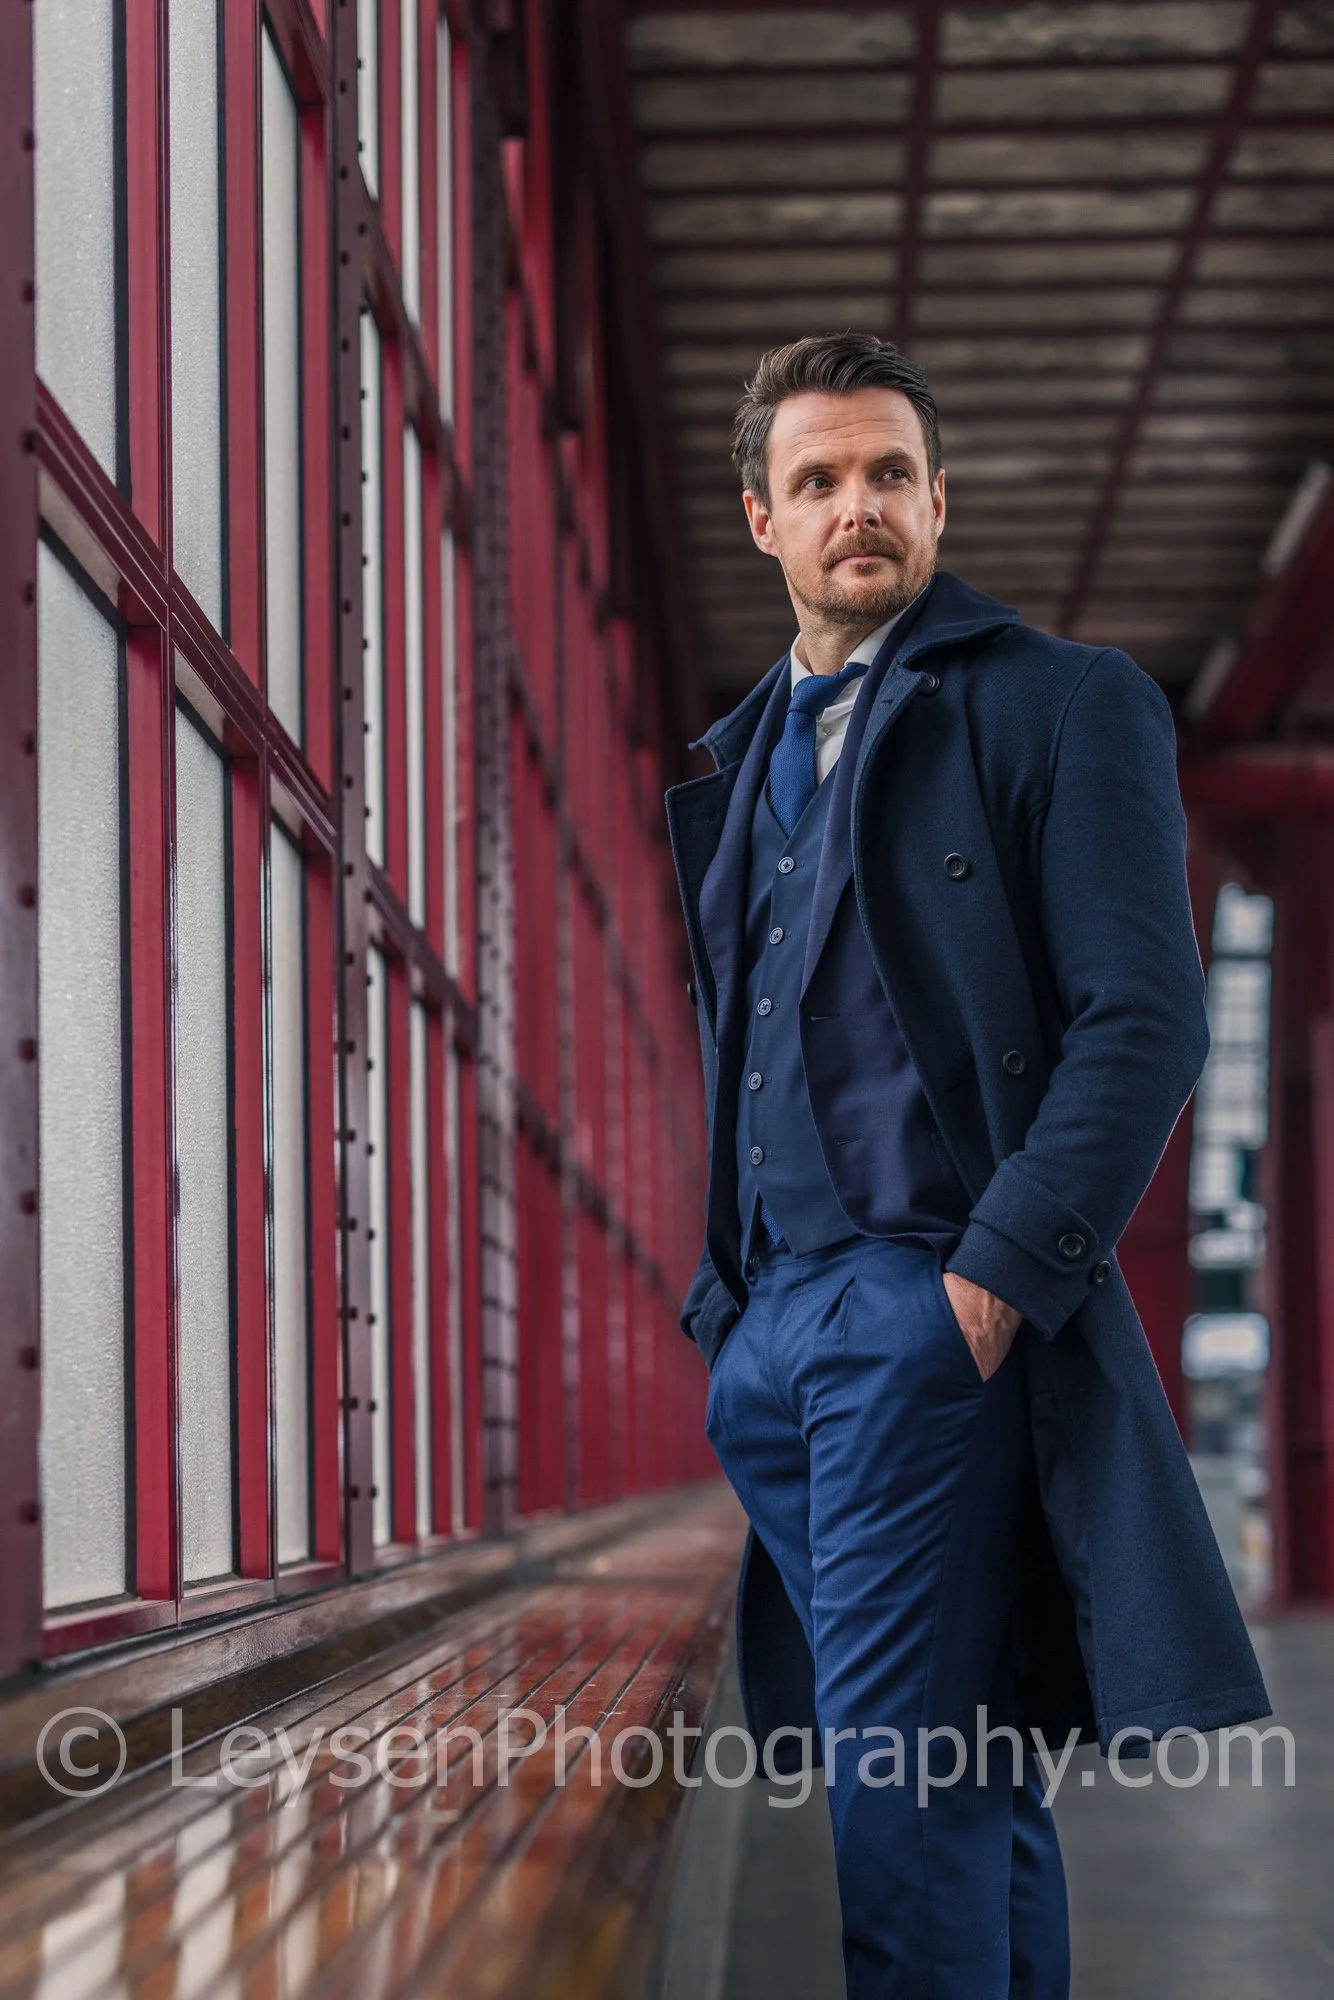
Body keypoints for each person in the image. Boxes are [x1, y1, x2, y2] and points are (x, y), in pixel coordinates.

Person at [664, 332, 1270, 1999]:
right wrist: (724, 1311)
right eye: (816, 480)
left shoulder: (1064, 703)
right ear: (760, 520)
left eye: (884, 474)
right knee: (957, 1775)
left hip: (920, 1318)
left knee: (895, 1798)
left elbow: (1141, 1021)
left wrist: (990, 1281)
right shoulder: (744, 767)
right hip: (772, 1338)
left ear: (938, 501)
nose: (855, 504)